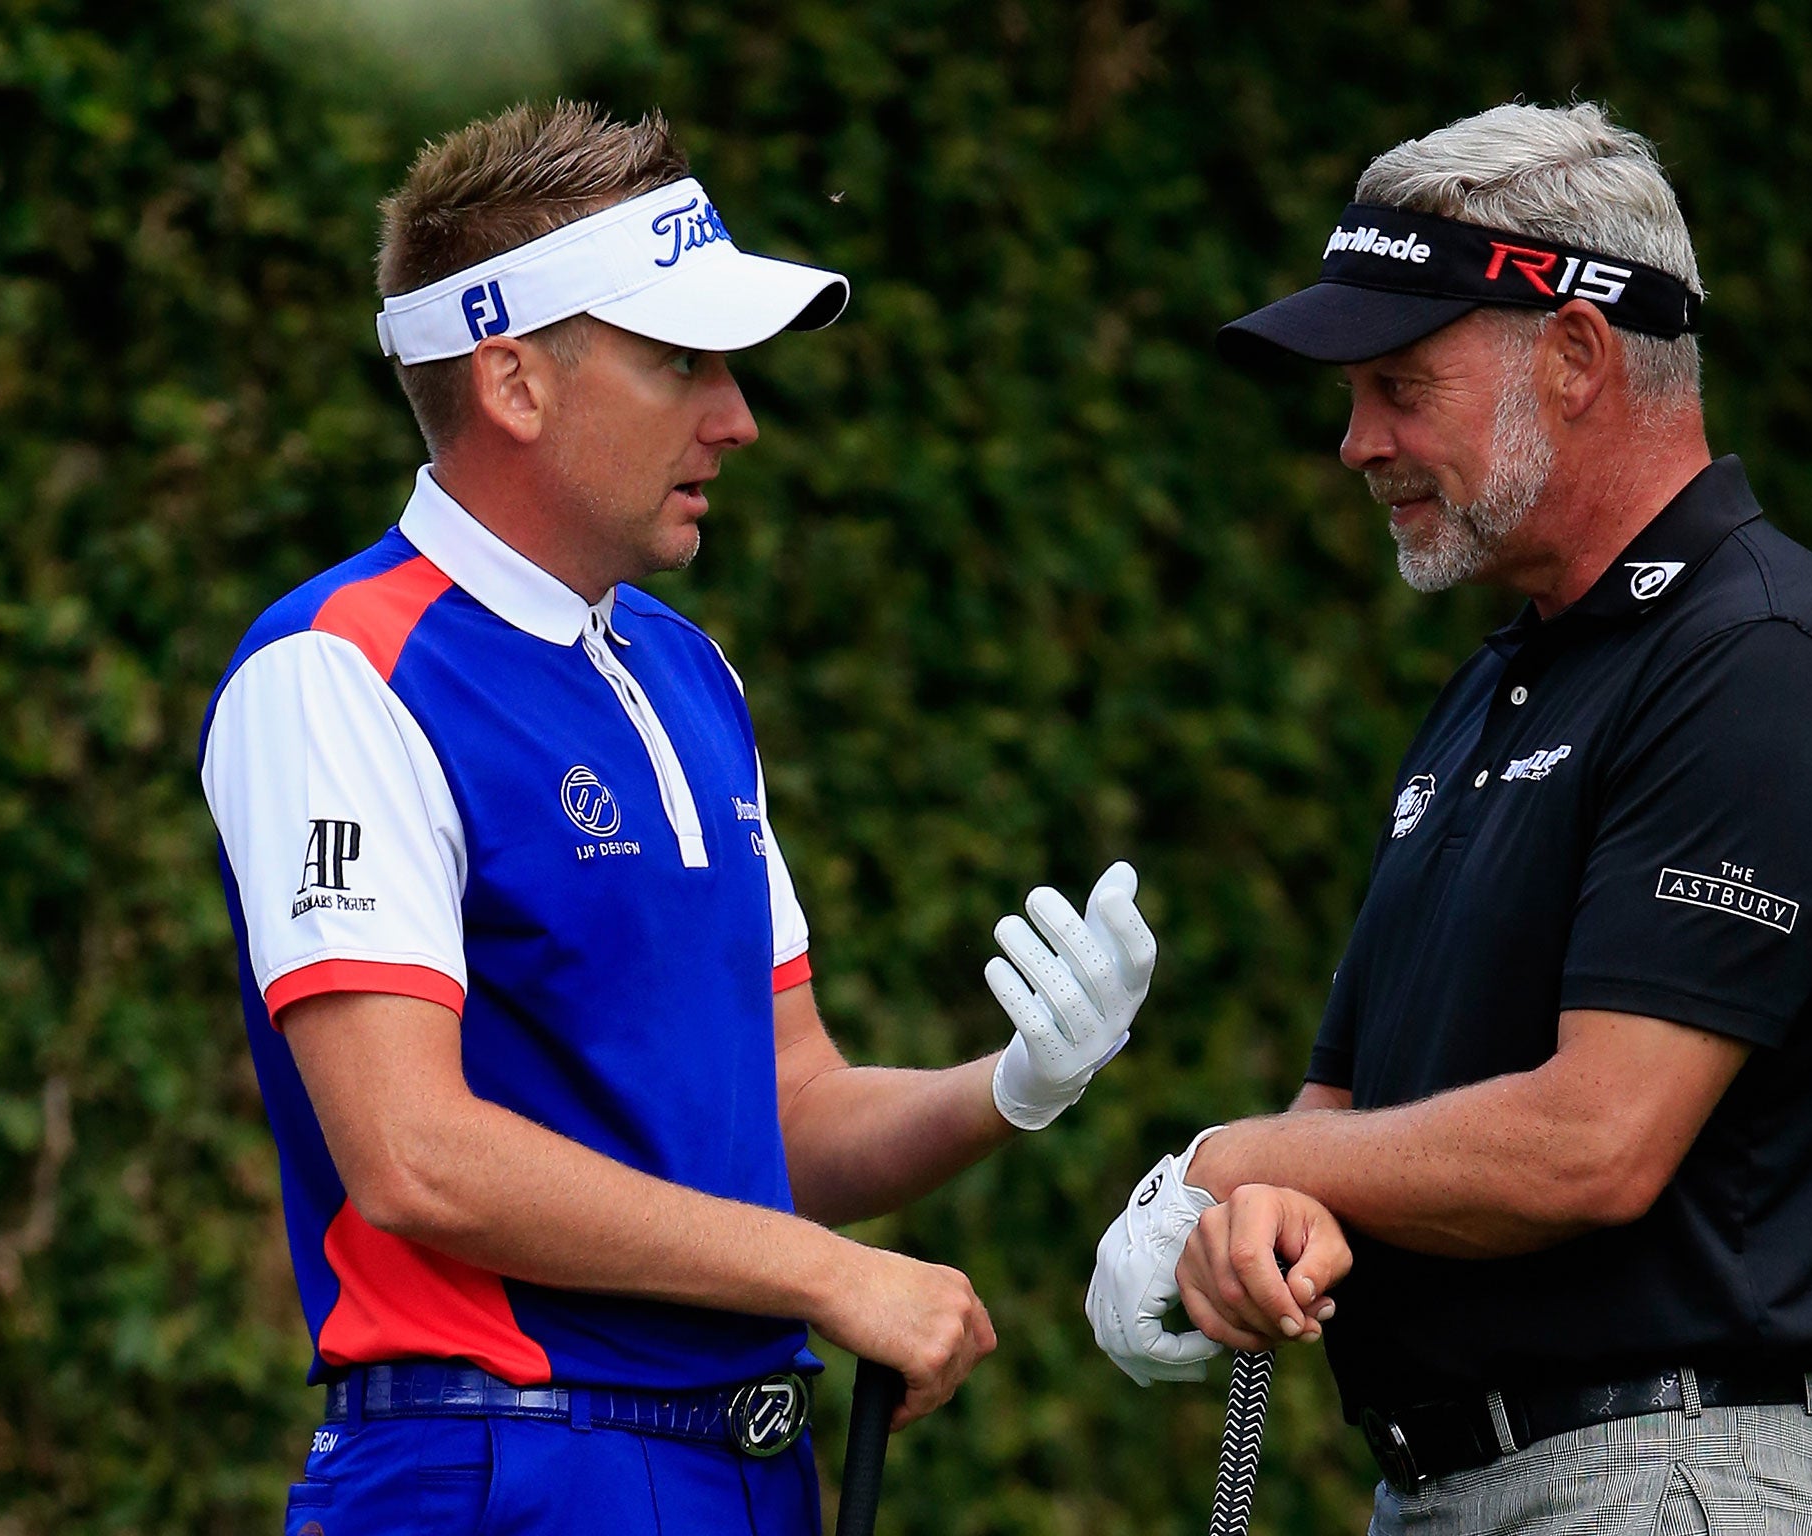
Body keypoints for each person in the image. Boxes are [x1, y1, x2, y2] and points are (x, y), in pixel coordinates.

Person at [199, 101, 1158, 1536]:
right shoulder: (336, 669)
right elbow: (414, 1156)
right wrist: (825, 1276)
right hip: (497, 1470)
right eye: (679, 362)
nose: (737, 415)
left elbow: (791, 1116)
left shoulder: (688, 671)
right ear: (513, 381)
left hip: (745, 1470)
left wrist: (1013, 1085)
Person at [1086, 102, 1812, 1533]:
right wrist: (1249, 1232)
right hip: (1448, 1490)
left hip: (1671, 1485)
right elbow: (1346, 1115)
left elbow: (1591, 1143)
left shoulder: (1769, 658)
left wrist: (1227, 1164)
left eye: (1399, 387)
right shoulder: (1503, 686)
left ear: (1576, 355)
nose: (1356, 444)